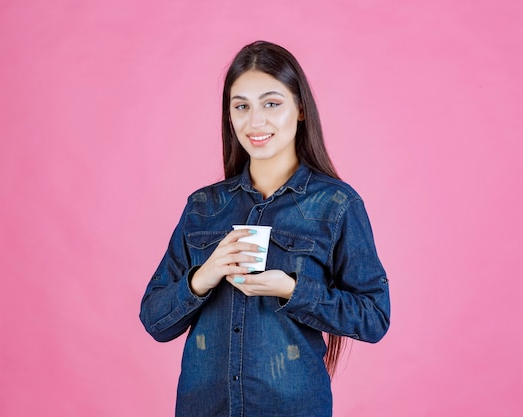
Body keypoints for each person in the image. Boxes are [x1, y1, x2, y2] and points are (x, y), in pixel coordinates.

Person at [139, 40, 390, 417]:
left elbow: (374, 317)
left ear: (300, 109)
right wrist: (203, 277)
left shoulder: (336, 205)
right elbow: (155, 320)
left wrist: (292, 290)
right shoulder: (204, 207)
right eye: (242, 106)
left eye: (271, 104)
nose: (255, 122)